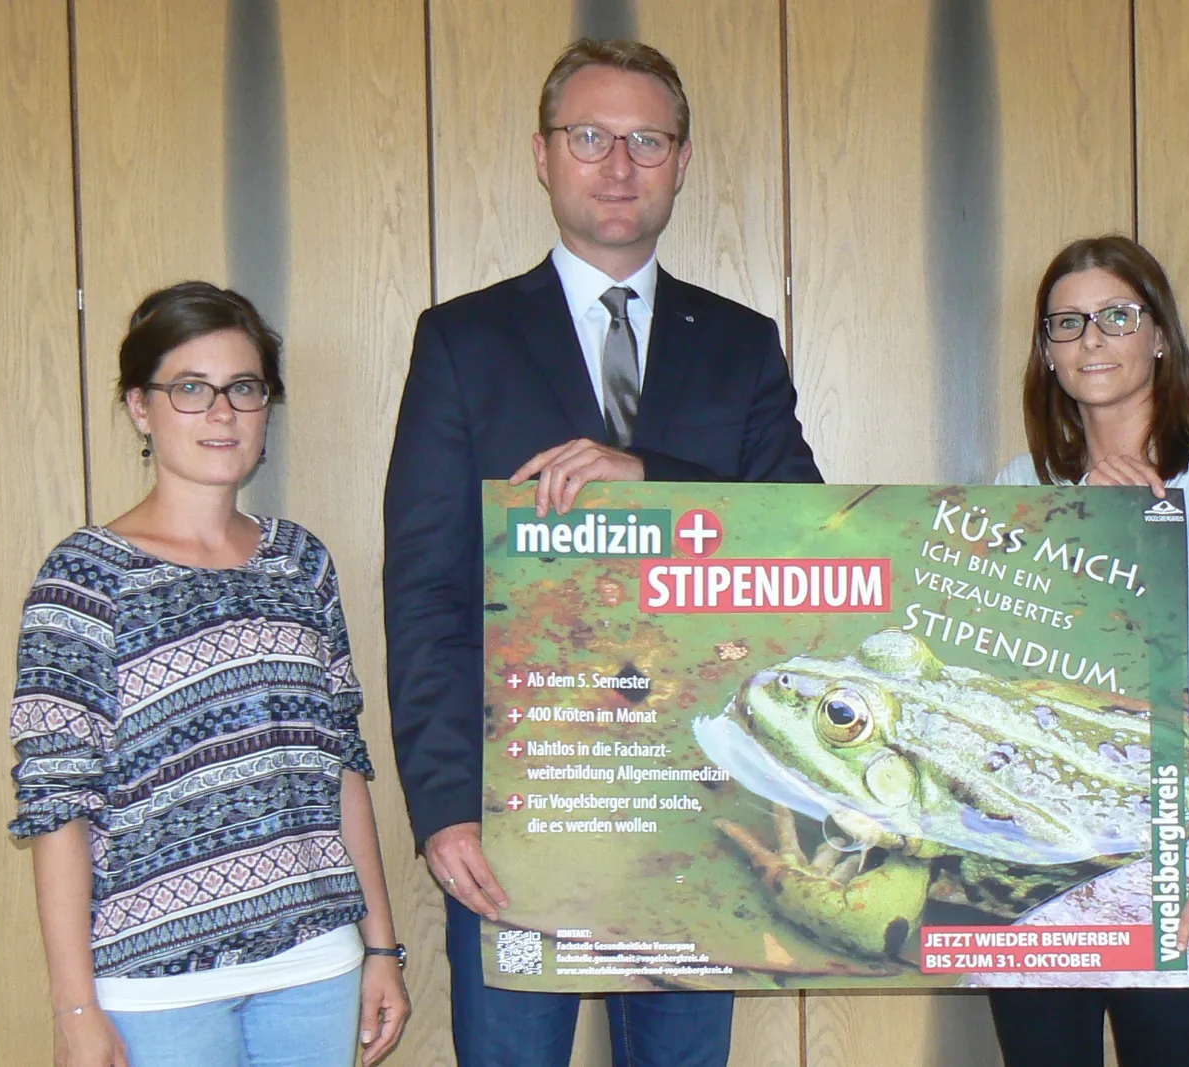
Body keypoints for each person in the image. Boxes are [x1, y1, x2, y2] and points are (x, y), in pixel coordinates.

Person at [383, 37, 821, 1067]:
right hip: (518, 813)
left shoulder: (742, 342)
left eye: (646, 140)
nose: (618, 164)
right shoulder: (461, 340)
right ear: (544, 155)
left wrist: (652, 477)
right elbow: (429, 591)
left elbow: (799, 535)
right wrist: (445, 808)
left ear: (681, 159)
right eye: (590, 137)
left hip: (697, 808)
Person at [8, 282, 410, 1067]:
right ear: (140, 407)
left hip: (315, 965)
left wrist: (381, 948)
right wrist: (74, 1005)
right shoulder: (83, 580)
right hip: (155, 988)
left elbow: (341, 766)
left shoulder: (301, 561)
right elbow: (57, 806)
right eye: (191, 388)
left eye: (244, 388)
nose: (222, 412)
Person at [986, 235, 1189, 1065]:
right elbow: (1003, 672)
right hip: (1037, 869)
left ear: (1159, 336)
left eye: (1117, 315)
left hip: (1175, 878)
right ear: (1046, 352)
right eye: (1068, 322)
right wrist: (1086, 517)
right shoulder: (1017, 488)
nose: (1092, 339)